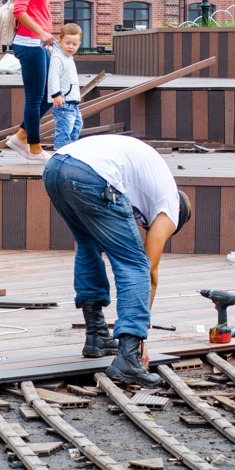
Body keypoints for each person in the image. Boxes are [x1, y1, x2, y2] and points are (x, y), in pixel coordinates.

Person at [42, 135, 192, 388]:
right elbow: (149, 268)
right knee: (134, 264)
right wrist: (140, 337)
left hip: (55, 167)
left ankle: (97, 336)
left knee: (89, 245)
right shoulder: (170, 205)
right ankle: (128, 359)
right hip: (92, 173)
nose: (148, 228)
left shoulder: (148, 182)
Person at [5, 0, 53, 162]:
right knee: (35, 98)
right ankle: (34, 147)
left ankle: (21, 136)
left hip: (38, 45)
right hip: (30, 43)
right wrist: (41, 32)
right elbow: (19, 11)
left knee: (51, 93)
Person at [48, 23, 83, 150]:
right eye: (67, 43)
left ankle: (70, 150)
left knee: (76, 126)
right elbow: (53, 77)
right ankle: (61, 152)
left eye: (74, 44)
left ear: (79, 44)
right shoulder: (58, 58)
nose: (71, 47)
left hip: (73, 103)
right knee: (64, 129)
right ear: (60, 41)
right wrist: (56, 95)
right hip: (63, 102)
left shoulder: (69, 58)